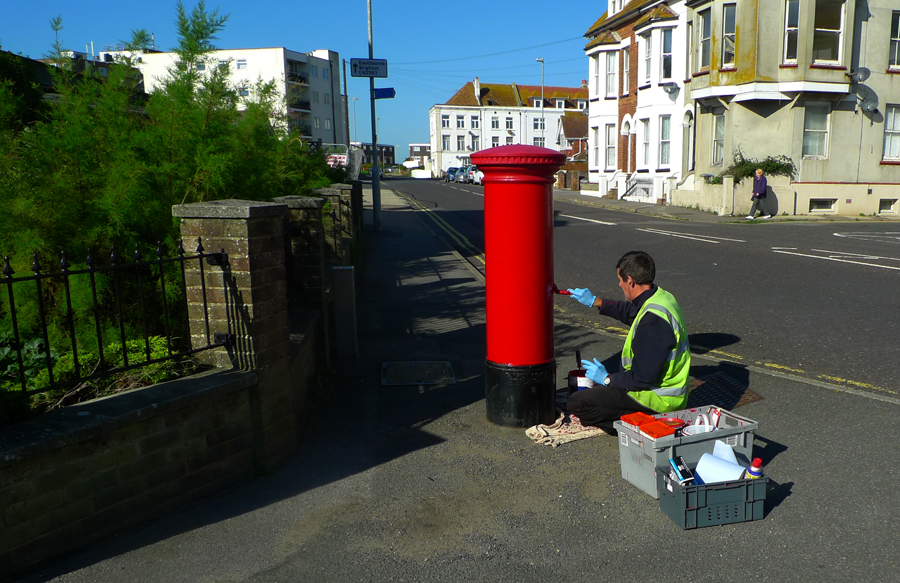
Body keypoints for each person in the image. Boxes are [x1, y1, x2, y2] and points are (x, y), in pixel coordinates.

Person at [565, 251, 690, 434]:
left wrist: (607, 379)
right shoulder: (660, 297)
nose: (619, 284)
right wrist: (595, 302)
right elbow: (631, 311)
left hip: (656, 399)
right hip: (661, 392)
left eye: (620, 280)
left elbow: (643, 378)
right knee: (602, 392)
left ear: (630, 281)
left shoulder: (652, 323)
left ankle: (641, 426)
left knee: (578, 403)